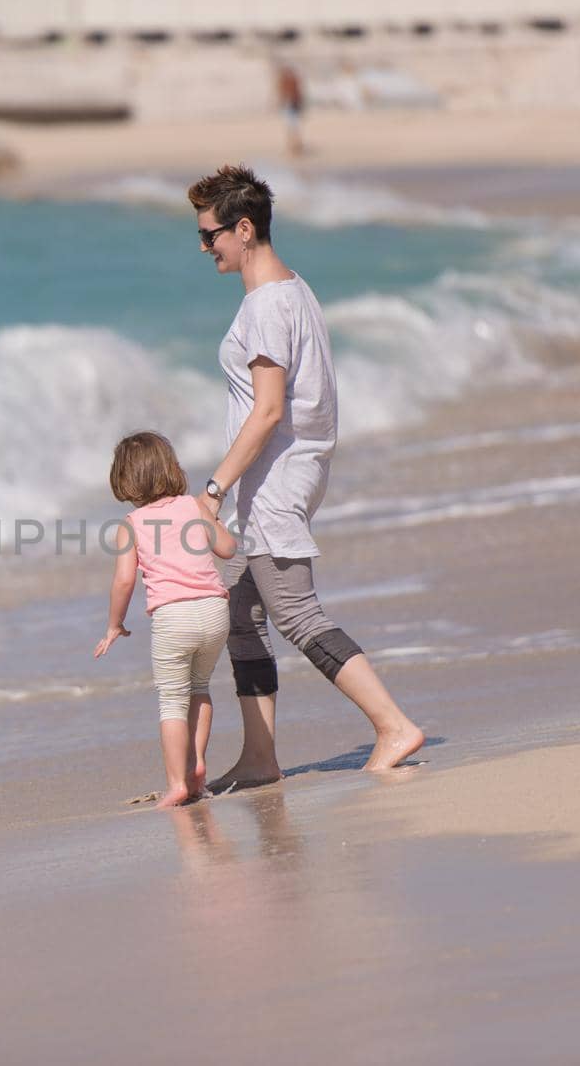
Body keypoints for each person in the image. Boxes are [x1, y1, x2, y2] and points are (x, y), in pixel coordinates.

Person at [187, 164, 425, 785]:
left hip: (273, 480)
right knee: (241, 611)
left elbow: (268, 411)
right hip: (279, 473)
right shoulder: (295, 288)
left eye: (210, 236)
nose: (205, 248)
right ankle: (261, 756)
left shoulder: (267, 306)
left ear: (244, 229)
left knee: (295, 613)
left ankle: (393, 725)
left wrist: (211, 491)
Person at [94, 432, 237, 808]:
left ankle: (176, 783)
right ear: (172, 468)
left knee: (172, 702)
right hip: (214, 611)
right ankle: (197, 765)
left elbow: (124, 580)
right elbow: (227, 548)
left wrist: (114, 624)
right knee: (200, 687)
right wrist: (212, 518)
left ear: (123, 479)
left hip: (174, 618)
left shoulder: (132, 524)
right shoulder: (193, 507)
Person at [275, 63, 305, 157]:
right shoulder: (289, 81)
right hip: (290, 105)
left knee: (292, 126)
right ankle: (293, 146)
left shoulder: (289, 81)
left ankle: (294, 147)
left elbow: (293, 94)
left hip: (291, 105)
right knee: (292, 126)